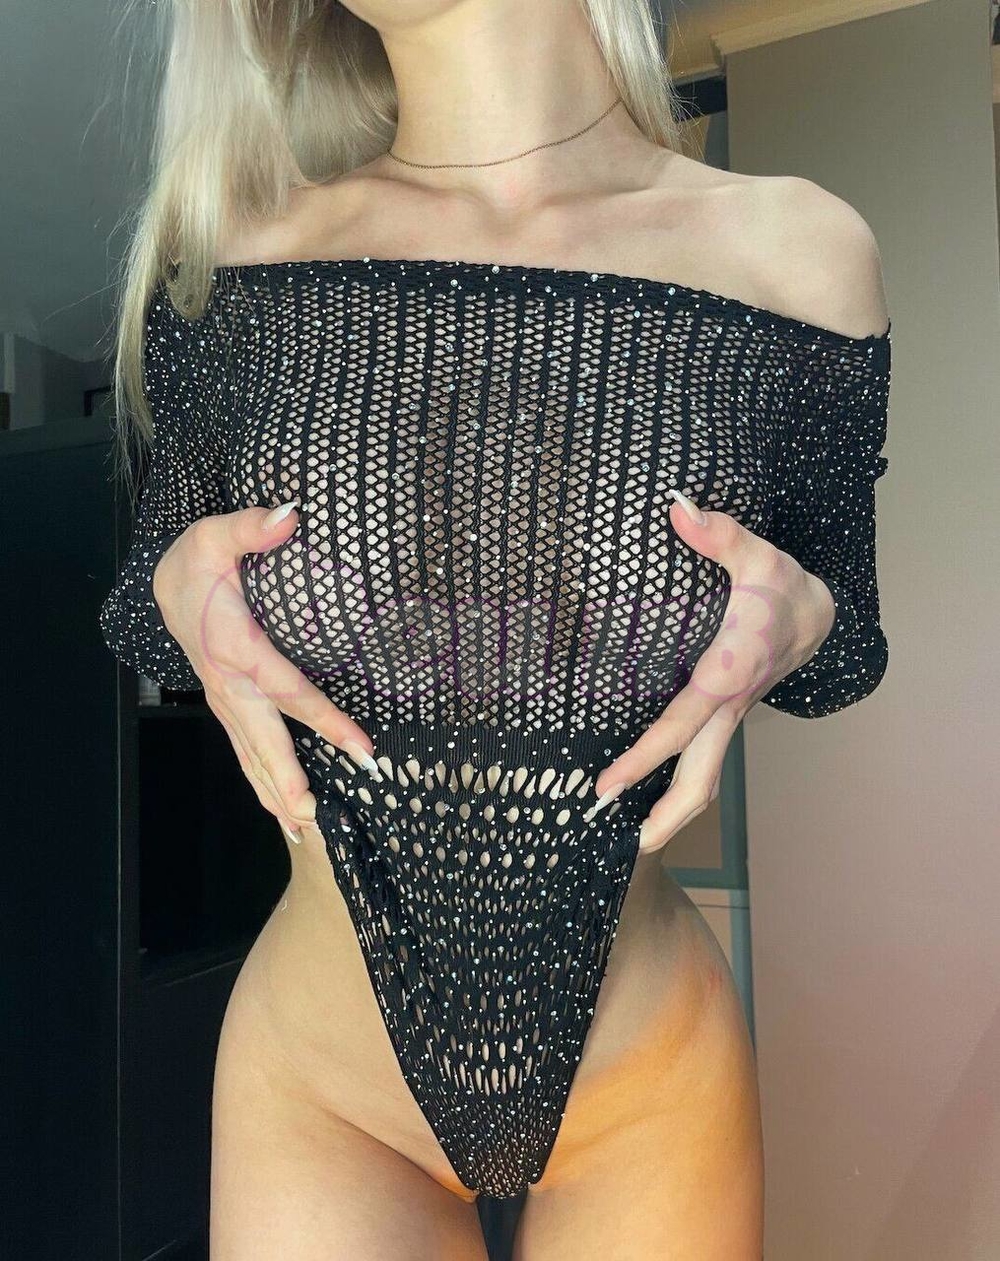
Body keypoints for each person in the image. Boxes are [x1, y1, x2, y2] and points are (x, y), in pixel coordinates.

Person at [99, 1, 892, 1256]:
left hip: (645, 1081)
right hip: (323, 1090)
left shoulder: (796, 253)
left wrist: (806, 610)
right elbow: (158, 605)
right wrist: (174, 584)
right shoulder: (237, 260)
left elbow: (840, 638)